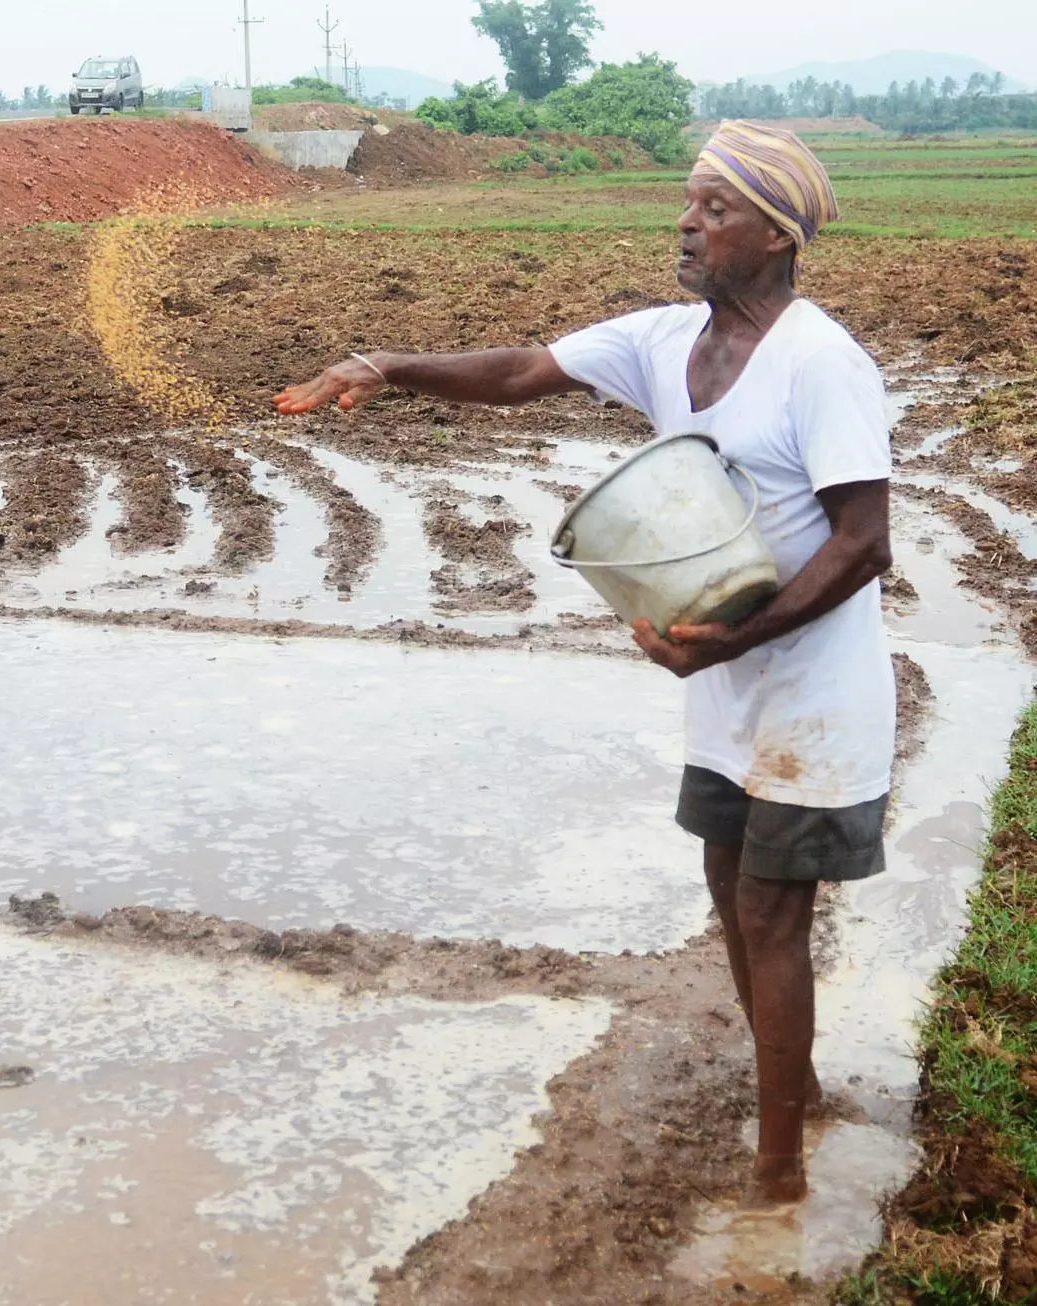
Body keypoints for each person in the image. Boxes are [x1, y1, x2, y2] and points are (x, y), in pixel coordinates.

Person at [272, 121, 893, 1208]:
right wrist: (386, 364)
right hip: (722, 679)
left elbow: (863, 541)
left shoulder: (820, 362)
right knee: (723, 882)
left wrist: (732, 641)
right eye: (689, 201)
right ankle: (791, 1085)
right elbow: (522, 371)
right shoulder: (665, 342)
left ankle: (781, 1168)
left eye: (715, 207)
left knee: (769, 911)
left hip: (812, 689)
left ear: (778, 233)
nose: (688, 222)